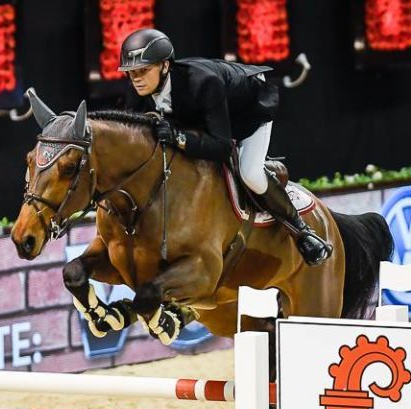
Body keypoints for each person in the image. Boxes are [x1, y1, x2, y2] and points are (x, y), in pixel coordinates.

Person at [118, 28, 332, 266]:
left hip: (247, 107)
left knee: (249, 172)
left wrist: (179, 138)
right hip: (199, 112)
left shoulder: (203, 83)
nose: (136, 78)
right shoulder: (139, 89)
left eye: (143, 70)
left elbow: (220, 146)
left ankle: (302, 232)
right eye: (131, 72)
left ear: (165, 66)